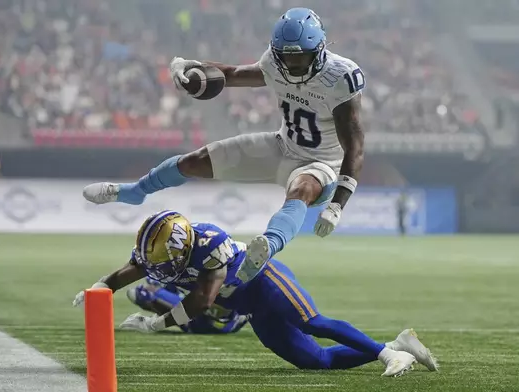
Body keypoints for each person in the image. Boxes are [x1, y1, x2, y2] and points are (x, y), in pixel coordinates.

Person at [83, 8, 366, 284]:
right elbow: (231, 74)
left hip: (322, 163)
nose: (292, 65)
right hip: (282, 145)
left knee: (301, 188)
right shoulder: (274, 63)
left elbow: (354, 146)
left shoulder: (340, 78)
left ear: (319, 49)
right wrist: (193, 66)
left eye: (301, 57)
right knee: (195, 161)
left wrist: (338, 204)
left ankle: (264, 248)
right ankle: (134, 191)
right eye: (286, 57)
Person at [73, 210, 438, 376]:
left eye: (163, 257)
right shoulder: (160, 251)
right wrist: (98, 289)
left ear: (183, 248)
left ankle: (387, 355)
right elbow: (125, 274)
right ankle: (397, 344)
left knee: (311, 321)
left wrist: (156, 324)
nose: (155, 264)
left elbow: (202, 300)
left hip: (264, 280)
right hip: (248, 305)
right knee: (316, 362)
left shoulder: (207, 243)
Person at [127, 277, 249, 334]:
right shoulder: (242, 313)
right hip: (195, 309)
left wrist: (154, 302)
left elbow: (183, 318)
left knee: (141, 293)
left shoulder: (201, 319)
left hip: (192, 311)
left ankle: (165, 287)